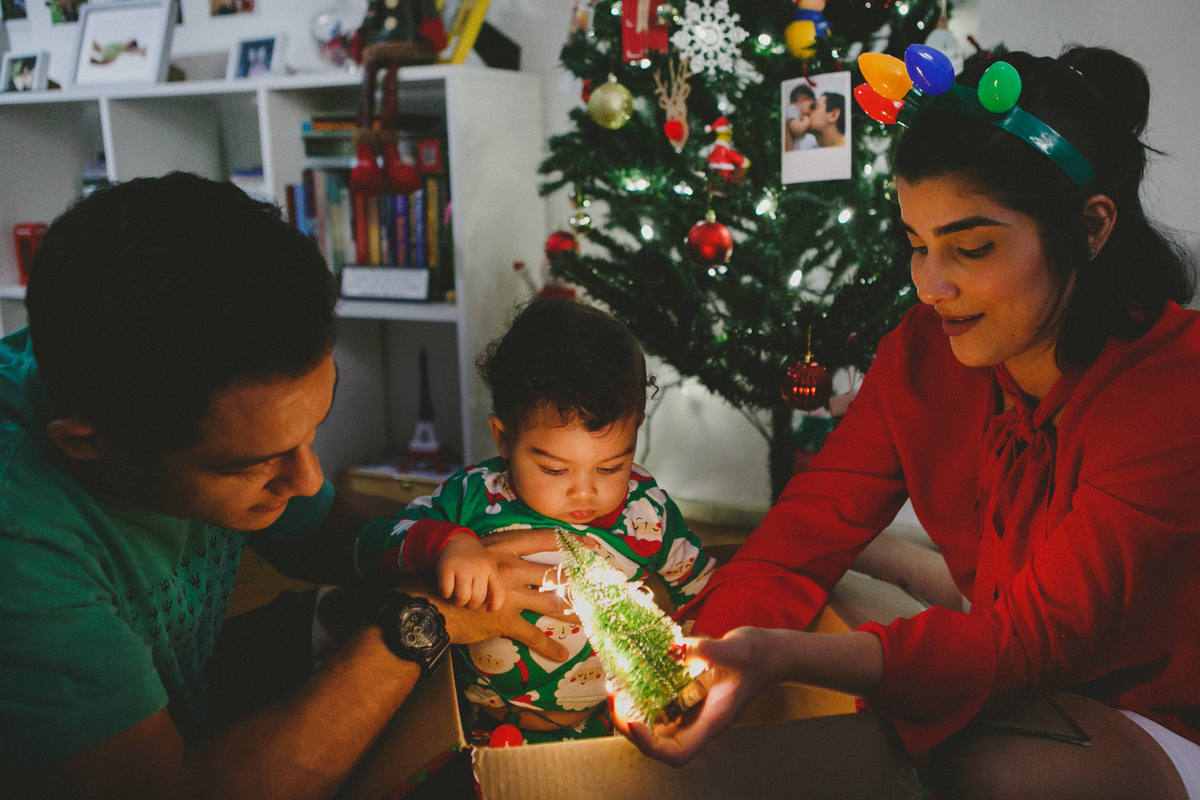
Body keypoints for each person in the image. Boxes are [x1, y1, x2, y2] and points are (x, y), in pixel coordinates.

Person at [621, 46, 1200, 800]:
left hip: (1158, 712)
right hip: (1012, 654)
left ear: (1090, 229)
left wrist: (781, 658)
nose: (931, 285)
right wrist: (698, 665)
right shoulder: (923, 353)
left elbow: (1028, 643)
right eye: (916, 244)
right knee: (818, 649)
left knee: (980, 769)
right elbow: (798, 541)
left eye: (972, 247)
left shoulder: (1170, 388)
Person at [0, 172, 573, 798]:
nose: (308, 479)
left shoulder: (162, 372)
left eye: (313, 431)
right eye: (253, 463)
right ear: (91, 443)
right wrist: (418, 622)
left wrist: (441, 546)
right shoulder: (21, 548)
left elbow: (323, 534)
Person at [354, 298, 715, 744]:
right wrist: (446, 544)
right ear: (504, 438)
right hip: (474, 728)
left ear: (637, 428)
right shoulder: (473, 496)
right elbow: (371, 545)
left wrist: (689, 655)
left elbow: (707, 590)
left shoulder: (647, 511)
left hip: (607, 730)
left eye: (610, 467)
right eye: (554, 470)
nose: (585, 492)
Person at [785, 83, 818, 151]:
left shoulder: (797, 114)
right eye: (811, 107)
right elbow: (797, 130)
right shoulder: (792, 108)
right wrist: (807, 120)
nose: (811, 112)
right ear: (803, 99)